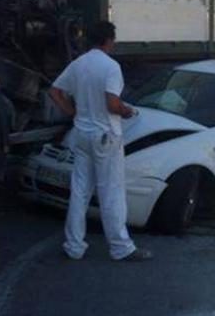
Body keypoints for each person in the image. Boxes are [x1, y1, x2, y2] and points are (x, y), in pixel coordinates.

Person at [48, 21, 153, 262]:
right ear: (109, 40)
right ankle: (121, 247)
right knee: (111, 192)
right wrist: (126, 111)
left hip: (82, 134)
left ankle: (74, 245)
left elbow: (54, 91)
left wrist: (72, 112)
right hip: (105, 136)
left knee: (79, 191)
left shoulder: (78, 64)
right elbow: (112, 104)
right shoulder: (111, 67)